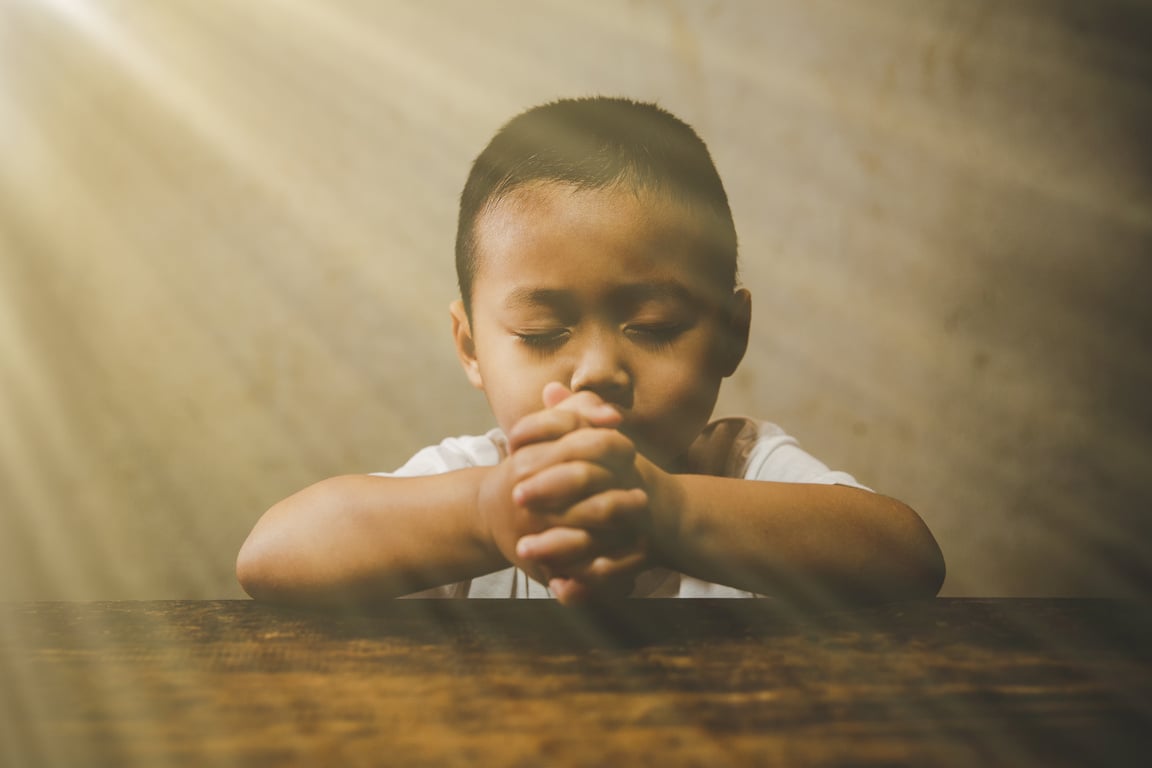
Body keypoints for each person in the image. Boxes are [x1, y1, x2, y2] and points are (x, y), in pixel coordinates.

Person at [236, 96, 945, 606]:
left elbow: (908, 560)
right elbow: (269, 557)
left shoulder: (742, 468)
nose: (598, 369)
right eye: (544, 334)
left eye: (656, 324)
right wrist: (487, 513)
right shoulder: (483, 475)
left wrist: (669, 515)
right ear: (470, 345)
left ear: (732, 334)